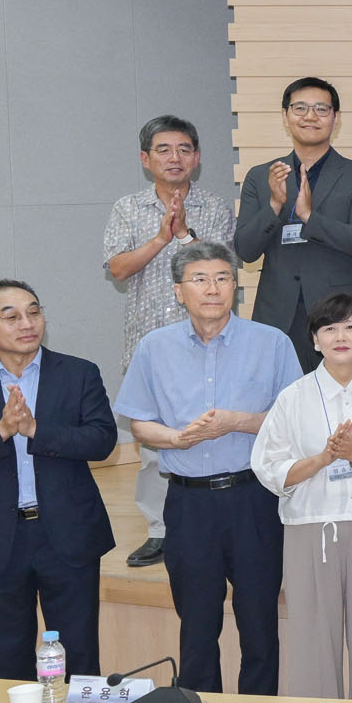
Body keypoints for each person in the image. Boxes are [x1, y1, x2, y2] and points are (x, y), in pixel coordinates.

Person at [114, 242, 302, 695]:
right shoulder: (154, 348)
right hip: (188, 502)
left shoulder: (271, 342)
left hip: (253, 499)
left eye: (222, 278)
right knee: (196, 625)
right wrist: (176, 439)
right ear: (179, 291)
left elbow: (295, 420)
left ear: (235, 287)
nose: (212, 289)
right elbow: (139, 423)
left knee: (259, 621)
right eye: (199, 280)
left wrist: (236, 422)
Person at [0, 280, 118, 680]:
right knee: (8, 659)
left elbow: (103, 441)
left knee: (80, 655)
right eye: (11, 316)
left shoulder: (78, 373)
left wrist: (36, 430)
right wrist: (0, 432)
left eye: (33, 312)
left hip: (68, 533)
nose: (27, 323)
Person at [250, 293, 352, 701]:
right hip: (311, 526)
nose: (341, 336)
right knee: (312, 642)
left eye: (351, 326)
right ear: (315, 340)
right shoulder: (293, 397)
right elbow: (269, 468)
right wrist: (322, 459)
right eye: (330, 328)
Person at [104, 114, 234, 568]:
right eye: (163, 150)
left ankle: (219, 524)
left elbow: (220, 264)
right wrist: (161, 238)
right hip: (151, 345)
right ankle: (160, 530)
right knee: (154, 443)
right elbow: (117, 268)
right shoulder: (127, 208)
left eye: (183, 149)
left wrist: (183, 235)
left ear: (196, 158)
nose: (174, 158)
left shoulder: (214, 207)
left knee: (216, 429)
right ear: (146, 159)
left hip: (213, 342)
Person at [234, 77, 352, 374]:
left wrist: (310, 218)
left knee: (343, 400)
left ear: (335, 118)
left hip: (340, 317)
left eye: (321, 109)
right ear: (285, 115)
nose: (310, 116)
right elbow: (245, 250)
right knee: (278, 400)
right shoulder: (261, 176)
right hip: (277, 316)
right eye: (300, 108)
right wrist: (274, 206)